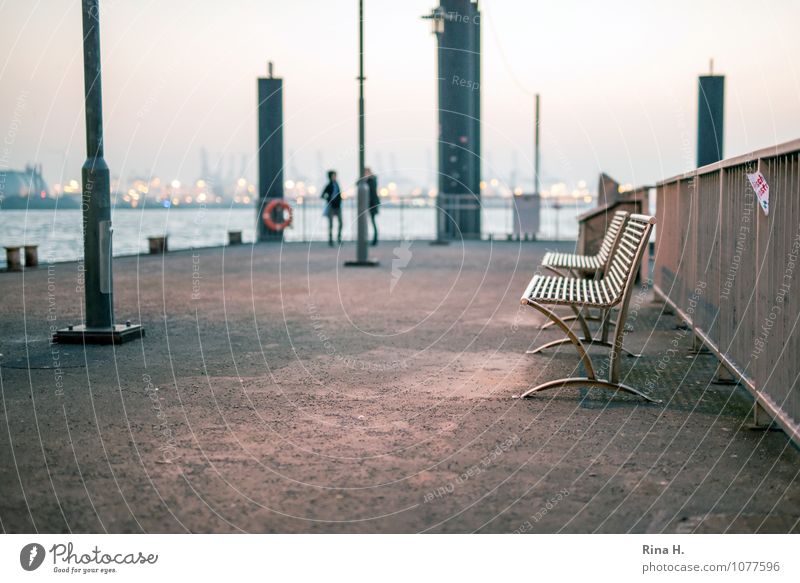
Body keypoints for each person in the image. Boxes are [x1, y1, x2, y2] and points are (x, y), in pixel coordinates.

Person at [321, 170, 343, 246]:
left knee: (341, 223)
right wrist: (329, 199)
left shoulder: (337, 184)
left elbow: (339, 194)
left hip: (338, 206)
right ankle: (330, 240)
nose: (335, 177)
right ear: (330, 177)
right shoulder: (328, 185)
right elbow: (322, 195)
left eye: (335, 175)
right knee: (331, 224)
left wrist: (340, 199)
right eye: (333, 175)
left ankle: (339, 238)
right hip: (331, 207)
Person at [363, 167, 380, 246]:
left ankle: (375, 240)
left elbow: (372, 191)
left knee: (373, 222)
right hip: (367, 204)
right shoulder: (366, 180)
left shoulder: (373, 180)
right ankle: (366, 239)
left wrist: (366, 179)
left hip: (372, 204)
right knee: (366, 222)